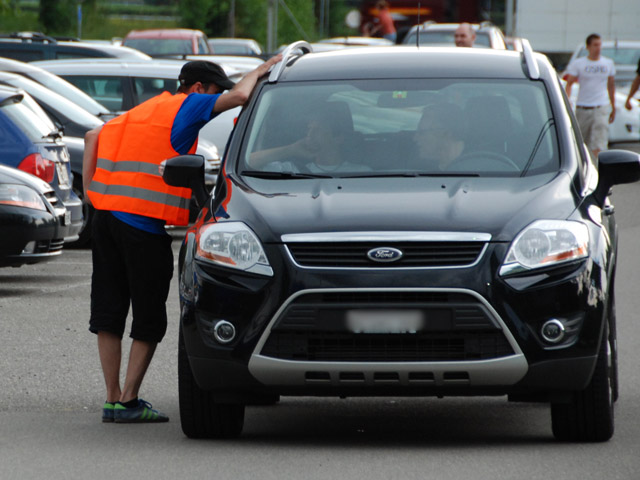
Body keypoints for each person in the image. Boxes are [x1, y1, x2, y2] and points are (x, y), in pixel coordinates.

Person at [82, 55, 281, 424]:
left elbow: (92, 136)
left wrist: (93, 196)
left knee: (109, 311)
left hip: (106, 219)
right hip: (141, 227)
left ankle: (111, 398)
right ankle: (128, 401)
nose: (215, 99)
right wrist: (260, 70)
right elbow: (239, 96)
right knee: (148, 314)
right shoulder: (189, 104)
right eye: (214, 91)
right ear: (198, 88)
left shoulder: (144, 110)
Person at [248, 106, 368, 174]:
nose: (310, 135)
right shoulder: (292, 170)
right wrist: (291, 149)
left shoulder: (361, 172)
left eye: (318, 130)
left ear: (338, 138)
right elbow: (248, 162)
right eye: (309, 129)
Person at [565, 33, 616, 157]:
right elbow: (569, 83)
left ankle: (598, 164)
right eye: (595, 45)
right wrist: (567, 101)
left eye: (600, 45)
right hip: (583, 107)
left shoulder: (608, 63)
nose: (598, 48)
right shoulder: (579, 64)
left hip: (600, 107)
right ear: (588, 47)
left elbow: (611, 85)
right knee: (582, 142)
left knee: (599, 142)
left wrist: (613, 106)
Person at [412, 102, 466, 171]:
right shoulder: (419, 168)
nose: (415, 138)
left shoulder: (474, 164)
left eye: (422, 133)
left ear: (446, 133)